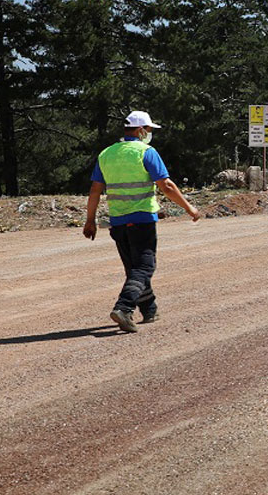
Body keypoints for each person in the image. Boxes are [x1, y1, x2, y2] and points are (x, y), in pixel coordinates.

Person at [83, 110, 201, 333]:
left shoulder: (106, 154)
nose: (149, 134)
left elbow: (95, 190)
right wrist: (190, 208)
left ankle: (149, 309)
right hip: (142, 219)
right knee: (145, 266)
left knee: (134, 269)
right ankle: (124, 308)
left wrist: (90, 220)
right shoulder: (146, 152)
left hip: (118, 221)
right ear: (140, 131)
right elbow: (166, 186)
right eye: (148, 130)